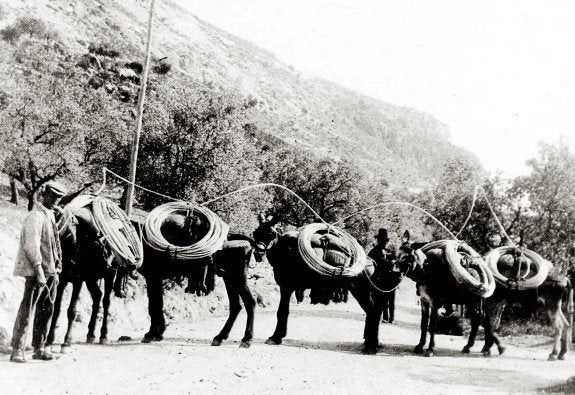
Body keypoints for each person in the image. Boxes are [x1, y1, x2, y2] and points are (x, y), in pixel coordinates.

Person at [10, 181, 67, 363]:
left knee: (47, 310)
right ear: (45, 195)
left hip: (51, 271)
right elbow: (31, 245)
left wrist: (55, 270)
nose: (57, 200)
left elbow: (53, 244)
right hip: (36, 271)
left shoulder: (49, 215)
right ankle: (17, 349)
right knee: (28, 308)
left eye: (59, 197)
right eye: (54, 196)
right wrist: (38, 269)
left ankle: (39, 347)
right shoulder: (34, 216)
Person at [368, 228, 399, 323]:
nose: (385, 242)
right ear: (379, 240)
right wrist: (392, 263)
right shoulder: (375, 251)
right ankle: (386, 317)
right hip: (379, 279)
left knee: (391, 299)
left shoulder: (385, 251)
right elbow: (381, 263)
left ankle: (391, 318)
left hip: (389, 278)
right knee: (384, 299)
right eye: (383, 240)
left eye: (386, 241)